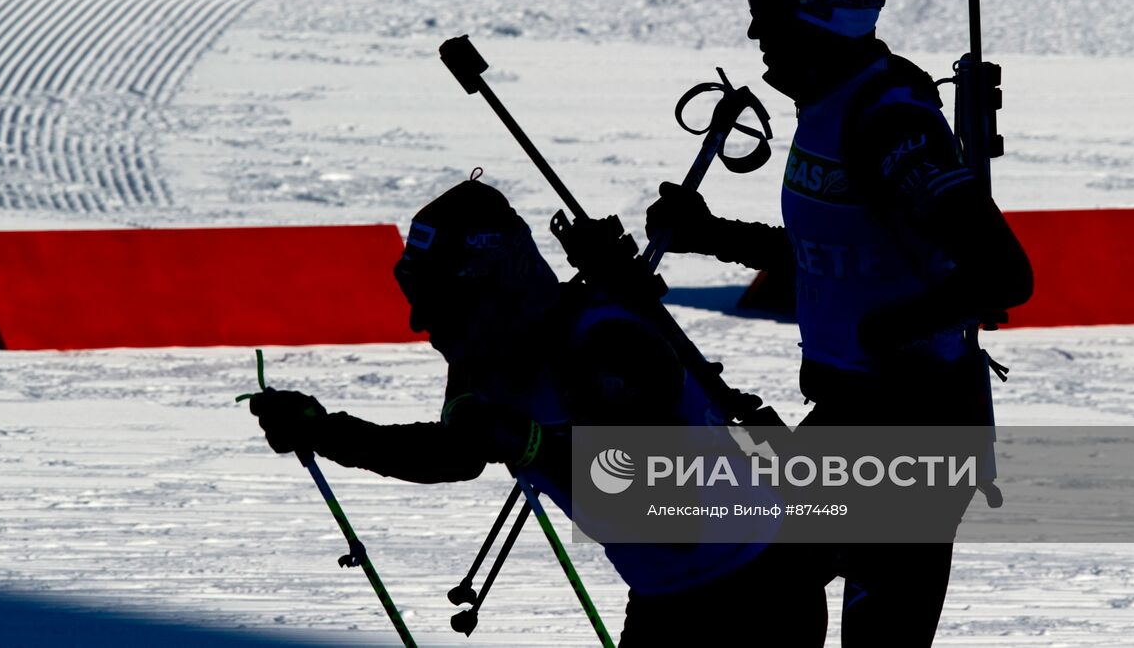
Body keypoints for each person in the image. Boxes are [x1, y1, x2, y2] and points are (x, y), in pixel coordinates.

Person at [646, 0, 1034, 646]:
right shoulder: (833, 104)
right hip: (858, 421)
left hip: (909, 433)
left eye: (770, 11)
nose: (756, 31)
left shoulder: (890, 125)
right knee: (752, 578)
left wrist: (890, 332)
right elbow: (834, 255)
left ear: (817, 19)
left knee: (759, 581)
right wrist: (710, 233)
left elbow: (1002, 273)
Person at [249, 177, 817, 646]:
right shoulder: (487, 356)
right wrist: (324, 430)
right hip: (665, 598)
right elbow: (454, 453)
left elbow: (677, 511)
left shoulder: (607, 343)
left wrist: (534, 446)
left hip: (755, 592)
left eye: (441, 302)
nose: (421, 323)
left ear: (495, 288)